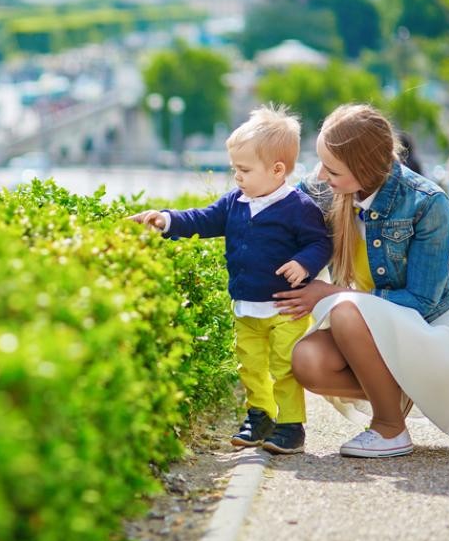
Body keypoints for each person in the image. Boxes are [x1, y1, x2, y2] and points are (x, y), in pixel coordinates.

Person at [274, 104, 449, 458]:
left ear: (364, 168)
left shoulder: (427, 203)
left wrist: (332, 293)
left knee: (343, 310)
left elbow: (422, 302)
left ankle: (389, 428)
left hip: (428, 335)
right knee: (307, 360)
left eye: (332, 168)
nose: (321, 175)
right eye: (321, 162)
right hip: (369, 332)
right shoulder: (327, 190)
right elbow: (274, 207)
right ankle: (393, 389)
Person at [129, 106, 331, 454]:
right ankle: (260, 414)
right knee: (249, 365)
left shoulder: (298, 207)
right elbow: (203, 219)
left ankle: (290, 425)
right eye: (234, 168)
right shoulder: (235, 202)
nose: (236, 176)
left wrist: (304, 263)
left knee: (284, 366)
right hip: (246, 305)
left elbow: (320, 242)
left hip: (286, 307)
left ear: (277, 170)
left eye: (244, 170)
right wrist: (166, 219)